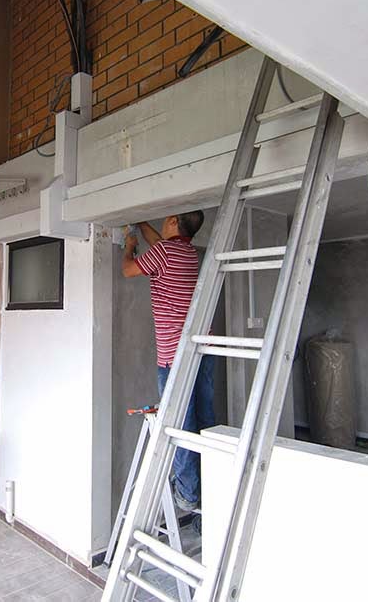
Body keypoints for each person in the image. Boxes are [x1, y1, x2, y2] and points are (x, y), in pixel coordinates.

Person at [122, 211, 215, 511]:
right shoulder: (187, 253)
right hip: (202, 350)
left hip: (174, 357)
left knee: (180, 424)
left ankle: (188, 494)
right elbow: (160, 243)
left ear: (174, 222)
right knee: (204, 419)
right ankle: (209, 487)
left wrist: (129, 245)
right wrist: (142, 224)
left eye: (167, 219)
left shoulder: (164, 251)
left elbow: (128, 270)